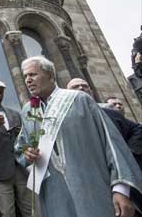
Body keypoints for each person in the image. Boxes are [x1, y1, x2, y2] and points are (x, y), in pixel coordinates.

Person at [18, 56, 142, 217]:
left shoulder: (79, 99)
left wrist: (121, 189)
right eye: (25, 76)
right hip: (55, 194)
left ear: (50, 75)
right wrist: (27, 153)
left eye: (32, 75)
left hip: (93, 187)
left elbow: (111, 143)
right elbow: (20, 147)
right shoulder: (28, 111)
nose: (28, 80)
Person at [0, 79, 36, 217]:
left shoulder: (14, 113)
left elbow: (25, 139)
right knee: (7, 213)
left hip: (21, 169)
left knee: (31, 210)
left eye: (1, 92)